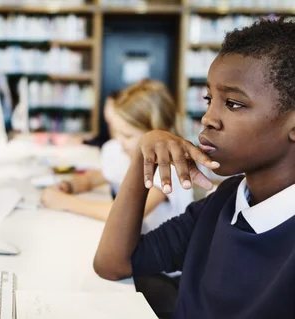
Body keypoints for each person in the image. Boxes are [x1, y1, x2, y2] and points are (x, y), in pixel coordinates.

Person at [94, 19, 295, 318]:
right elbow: (113, 264)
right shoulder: (226, 200)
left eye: (234, 104)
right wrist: (142, 157)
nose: (208, 118)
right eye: (209, 99)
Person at [41, 79, 192, 233]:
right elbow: (92, 179)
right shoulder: (125, 153)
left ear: (156, 133)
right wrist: (70, 186)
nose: (119, 141)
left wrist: (65, 202)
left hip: (165, 253)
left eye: (127, 135)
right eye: (117, 132)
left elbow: (124, 215)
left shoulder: (169, 169)